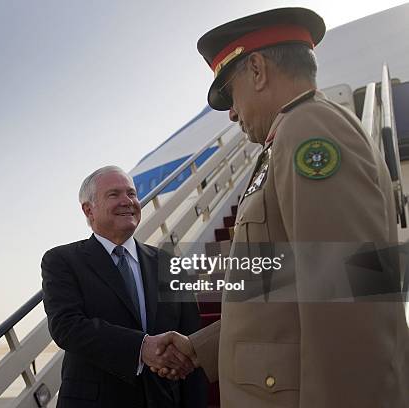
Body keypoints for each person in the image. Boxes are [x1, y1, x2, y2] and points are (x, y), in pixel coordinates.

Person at [151, 7, 409, 407]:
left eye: (230, 96)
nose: (233, 113)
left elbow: (347, 303)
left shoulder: (309, 132)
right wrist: (199, 347)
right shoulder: (290, 137)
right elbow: (293, 285)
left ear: (257, 70)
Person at [41, 166, 208, 408]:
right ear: (89, 209)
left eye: (131, 193)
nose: (127, 201)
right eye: (114, 194)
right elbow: (66, 326)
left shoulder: (168, 262)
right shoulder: (62, 260)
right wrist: (141, 347)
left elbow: (191, 339)